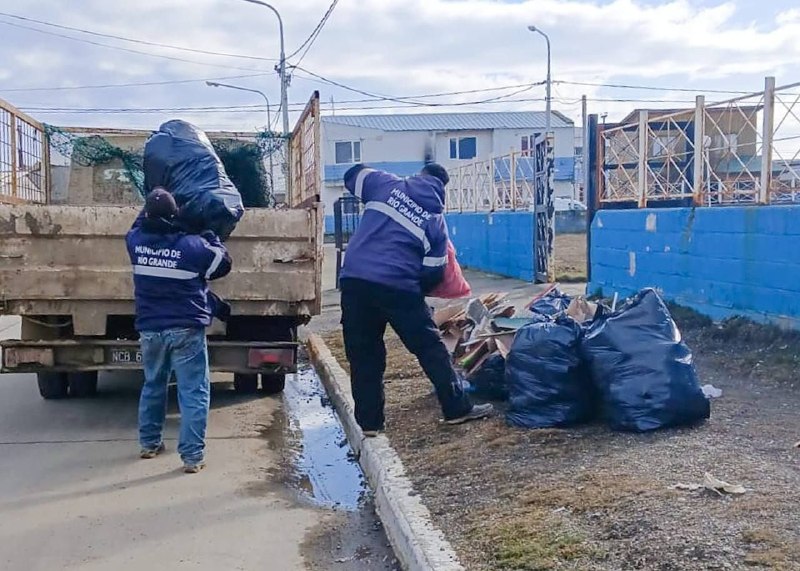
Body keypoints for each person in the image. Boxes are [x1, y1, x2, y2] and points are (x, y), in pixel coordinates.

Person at [339, 162, 493, 436]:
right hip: (399, 286)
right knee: (430, 348)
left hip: (355, 281)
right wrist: (413, 293)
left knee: (364, 353)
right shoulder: (435, 222)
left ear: (419, 175)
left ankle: (370, 424)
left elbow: (352, 175)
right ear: (442, 189)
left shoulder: (385, 184)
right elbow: (434, 272)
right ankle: (456, 409)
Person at [125, 188, 232, 473]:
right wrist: (209, 234)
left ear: (148, 215)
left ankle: (149, 443)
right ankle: (192, 457)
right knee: (193, 392)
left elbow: (138, 223)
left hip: (150, 329)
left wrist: (157, 195)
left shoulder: (135, 242)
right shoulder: (192, 247)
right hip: (186, 329)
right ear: (174, 216)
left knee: (153, 384)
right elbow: (223, 263)